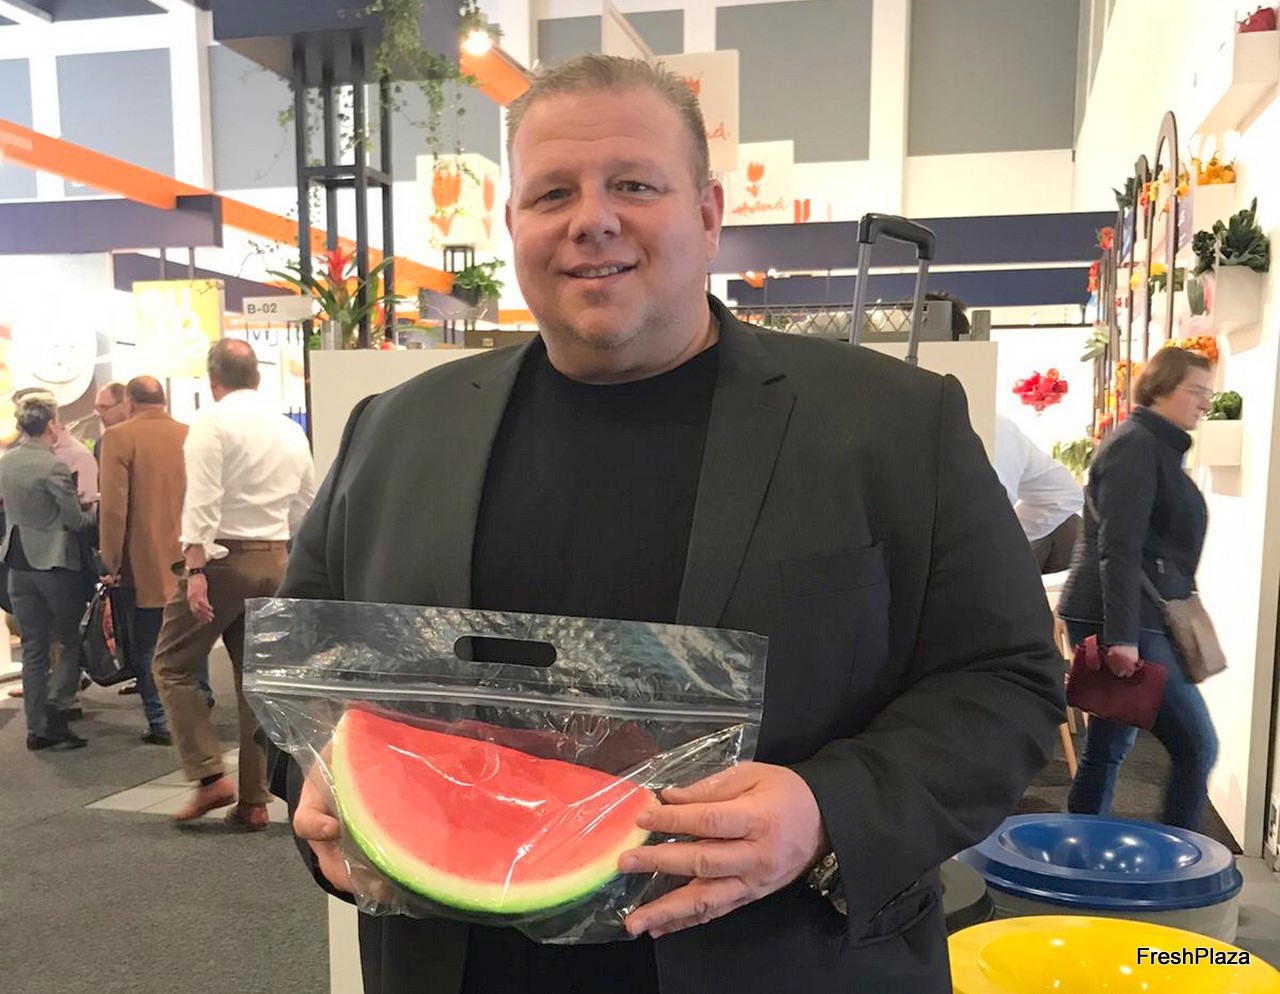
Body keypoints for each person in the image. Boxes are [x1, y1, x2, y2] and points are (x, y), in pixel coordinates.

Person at [279, 56, 1064, 994]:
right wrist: (316, 787)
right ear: (513, 224)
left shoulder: (893, 423)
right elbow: (303, 679)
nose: (592, 219)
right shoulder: (395, 432)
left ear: (708, 213)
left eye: (634, 185)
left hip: (784, 961)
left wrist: (828, 811)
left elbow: (1007, 680)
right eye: (553, 193)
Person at [152, 340, 316, 831]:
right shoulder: (289, 430)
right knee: (254, 681)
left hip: (223, 559)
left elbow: (203, 499)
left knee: (171, 665)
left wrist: (195, 568)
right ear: (257, 377)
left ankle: (208, 776)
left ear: (212, 379)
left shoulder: (212, 422)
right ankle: (254, 800)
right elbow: (305, 505)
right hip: (277, 559)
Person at [1058, 347, 1218, 829]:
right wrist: (1122, 637)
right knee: (1197, 744)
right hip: (1125, 615)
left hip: (1131, 610)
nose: (1205, 403)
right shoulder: (1137, 447)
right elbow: (1119, 547)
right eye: (1196, 391)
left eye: (1208, 393)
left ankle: (1081, 847)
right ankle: (1180, 856)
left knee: (1108, 745)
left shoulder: (1153, 446)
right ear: (1161, 388)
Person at [0, 390, 95, 750]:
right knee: (70, 640)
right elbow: (74, 521)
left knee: (34, 647)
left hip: (17, 563)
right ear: (52, 424)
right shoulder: (53, 466)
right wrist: (92, 510)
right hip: (54, 563)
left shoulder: (7, 462)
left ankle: (36, 726)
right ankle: (56, 710)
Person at [97, 376, 189, 745]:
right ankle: (198, 704)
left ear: (130, 402)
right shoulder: (188, 434)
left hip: (144, 560)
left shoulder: (119, 438)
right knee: (188, 637)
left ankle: (161, 720)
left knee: (149, 643)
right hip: (189, 557)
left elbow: (113, 509)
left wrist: (110, 561)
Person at [993, 414, 1084, 573]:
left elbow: (1064, 496)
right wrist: (1002, 534)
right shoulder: (1001, 427)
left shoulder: (999, 427)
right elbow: (1064, 496)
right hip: (992, 566)